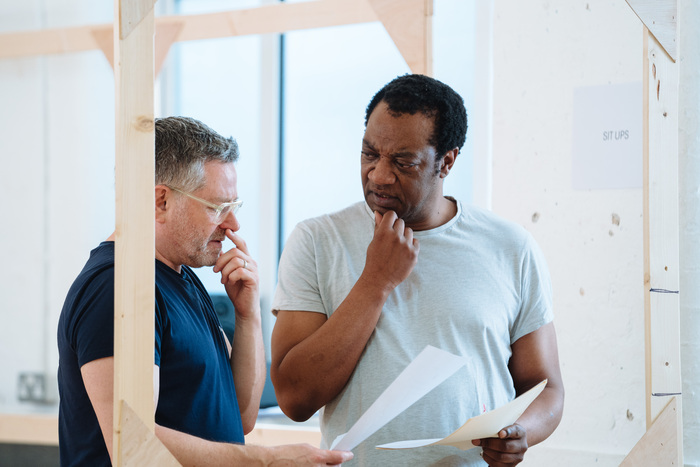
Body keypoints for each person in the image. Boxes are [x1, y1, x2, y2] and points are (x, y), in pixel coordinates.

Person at [270, 74, 564, 466]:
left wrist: (521, 431)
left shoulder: (511, 246)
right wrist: (376, 282)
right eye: (369, 154)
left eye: (403, 161)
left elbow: (547, 388)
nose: (379, 175)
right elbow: (294, 398)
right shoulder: (317, 240)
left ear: (447, 161)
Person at [57, 116, 353, 467]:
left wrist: (248, 316)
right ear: (161, 201)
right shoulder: (117, 286)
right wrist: (267, 461)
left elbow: (241, 416)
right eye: (217, 207)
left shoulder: (181, 277)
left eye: (234, 206)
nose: (233, 224)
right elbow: (133, 443)